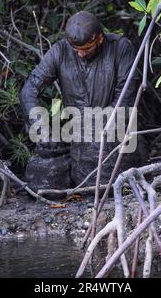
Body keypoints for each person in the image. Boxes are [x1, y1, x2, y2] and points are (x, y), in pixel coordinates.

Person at [20, 11, 141, 190]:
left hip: (113, 132)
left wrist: (100, 126)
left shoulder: (119, 48)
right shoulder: (60, 51)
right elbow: (29, 90)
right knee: (44, 173)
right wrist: (41, 126)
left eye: (86, 50)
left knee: (101, 162)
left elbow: (127, 95)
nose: (81, 55)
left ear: (99, 39)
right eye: (76, 50)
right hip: (75, 134)